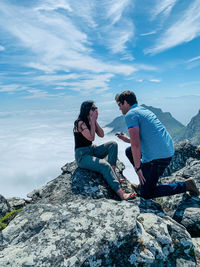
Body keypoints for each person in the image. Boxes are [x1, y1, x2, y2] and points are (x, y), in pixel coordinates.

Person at [115, 90, 199, 199]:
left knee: (147, 194)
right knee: (128, 151)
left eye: (119, 104)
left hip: (158, 157)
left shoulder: (130, 115)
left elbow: (136, 145)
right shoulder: (142, 110)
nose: (119, 108)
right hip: (166, 150)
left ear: (125, 102)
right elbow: (143, 139)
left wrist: (138, 168)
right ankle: (144, 183)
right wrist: (126, 139)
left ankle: (186, 185)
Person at [73, 100, 136, 200]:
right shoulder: (80, 123)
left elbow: (101, 135)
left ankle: (114, 173)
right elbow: (91, 138)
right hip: (82, 156)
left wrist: (95, 121)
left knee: (113, 144)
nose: (95, 110)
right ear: (87, 110)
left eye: (96, 108)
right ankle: (121, 193)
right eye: (93, 108)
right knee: (105, 166)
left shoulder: (90, 121)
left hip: (91, 150)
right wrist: (93, 121)